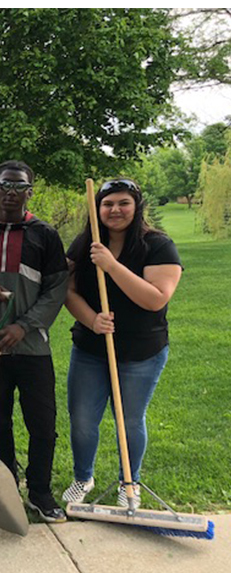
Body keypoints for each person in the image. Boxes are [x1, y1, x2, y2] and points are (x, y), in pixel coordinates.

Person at [0, 161, 69, 522]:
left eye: (20, 186)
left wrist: (24, 326)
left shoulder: (44, 235)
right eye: (5, 185)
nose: (11, 192)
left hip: (32, 346)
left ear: (29, 192)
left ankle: (40, 492)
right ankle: (6, 491)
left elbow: (56, 289)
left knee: (42, 423)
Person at [62, 178, 183, 507]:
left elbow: (155, 299)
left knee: (129, 419)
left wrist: (111, 266)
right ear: (97, 208)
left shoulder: (158, 245)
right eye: (107, 204)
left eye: (123, 203)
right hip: (90, 348)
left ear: (136, 206)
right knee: (82, 418)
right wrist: (92, 320)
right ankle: (83, 478)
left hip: (142, 351)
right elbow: (67, 291)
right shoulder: (85, 244)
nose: (115, 210)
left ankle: (129, 482)